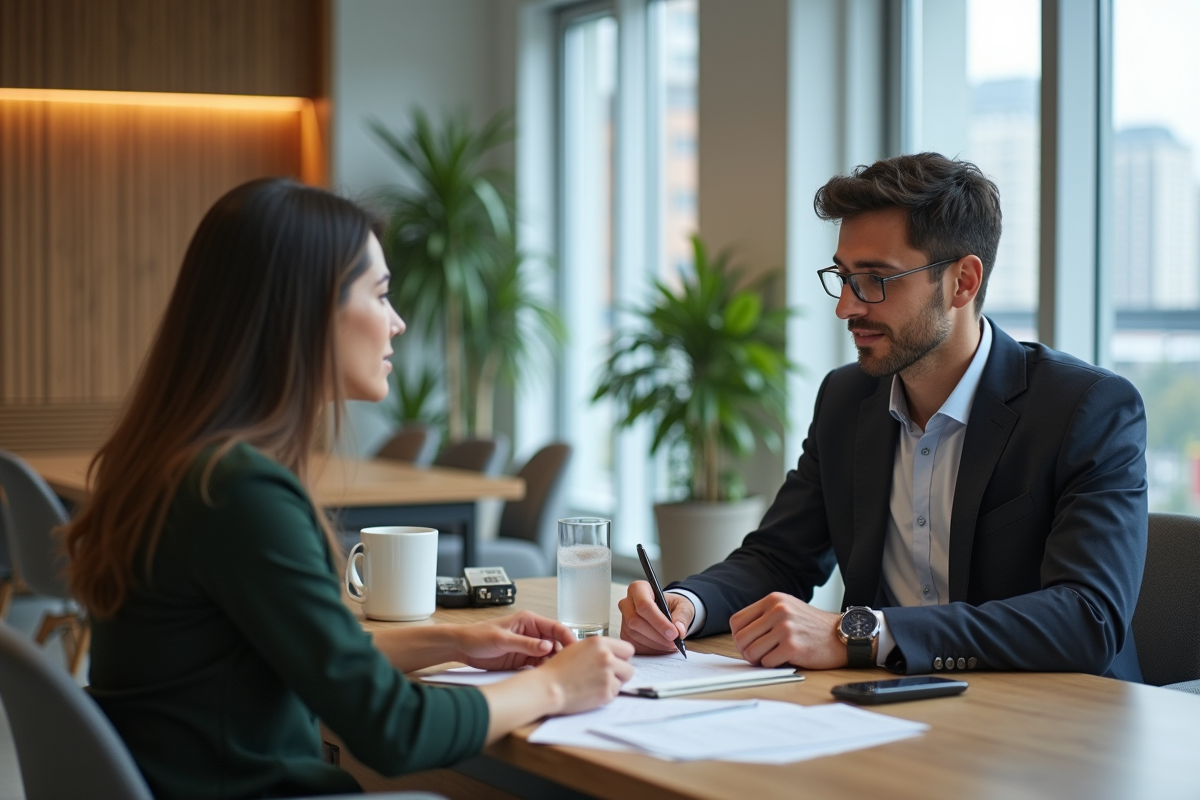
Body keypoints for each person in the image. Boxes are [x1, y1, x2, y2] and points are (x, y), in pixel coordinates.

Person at [64, 178, 634, 800]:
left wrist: (457, 639)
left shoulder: (174, 467)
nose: (398, 322)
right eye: (380, 294)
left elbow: (293, 660)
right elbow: (393, 730)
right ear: (303, 309)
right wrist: (556, 686)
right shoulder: (239, 494)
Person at [620, 153, 1148, 681]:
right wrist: (686, 604)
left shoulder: (1087, 409)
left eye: (875, 279)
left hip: (1054, 726)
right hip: (890, 709)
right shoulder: (846, 399)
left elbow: (1088, 617)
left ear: (962, 282)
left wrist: (859, 633)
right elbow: (779, 558)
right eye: (844, 277)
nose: (846, 307)